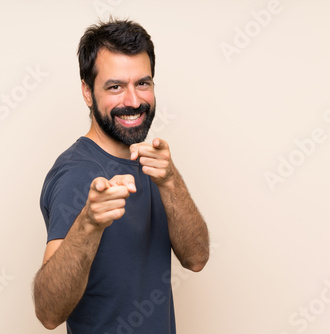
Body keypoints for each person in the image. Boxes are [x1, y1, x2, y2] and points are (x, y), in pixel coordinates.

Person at [33, 19, 210, 334]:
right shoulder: (78, 174)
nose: (133, 101)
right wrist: (88, 223)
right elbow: (49, 313)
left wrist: (171, 182)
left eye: (142, 83)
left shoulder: (152, 162)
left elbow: (196, 258)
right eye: (115, 87)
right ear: (88, 92)